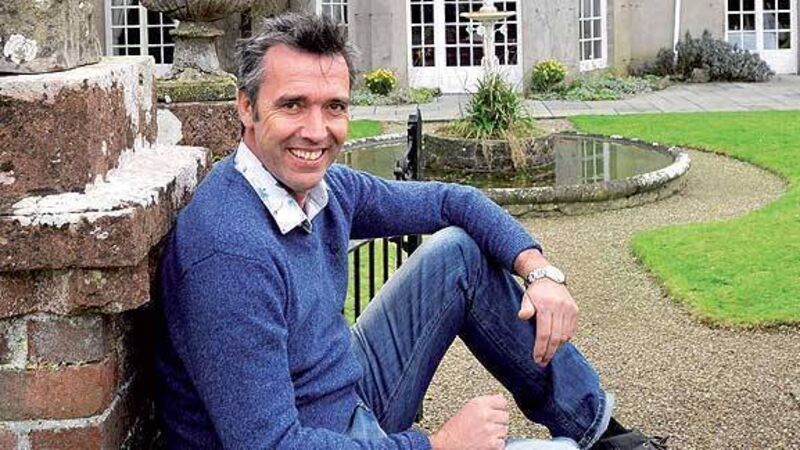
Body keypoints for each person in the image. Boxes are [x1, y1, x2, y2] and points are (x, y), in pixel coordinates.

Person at [154, 12, 665, 450]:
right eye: (293, 104)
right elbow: (270, 445)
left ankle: (598, 430)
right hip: (312, 434)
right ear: (246, 107)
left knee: (459, 253)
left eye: (334, 106)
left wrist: (539, 271)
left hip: (344, 394)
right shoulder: (230, 252)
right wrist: (437, 445)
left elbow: (451, 201)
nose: (316, 130)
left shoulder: (322, 188)